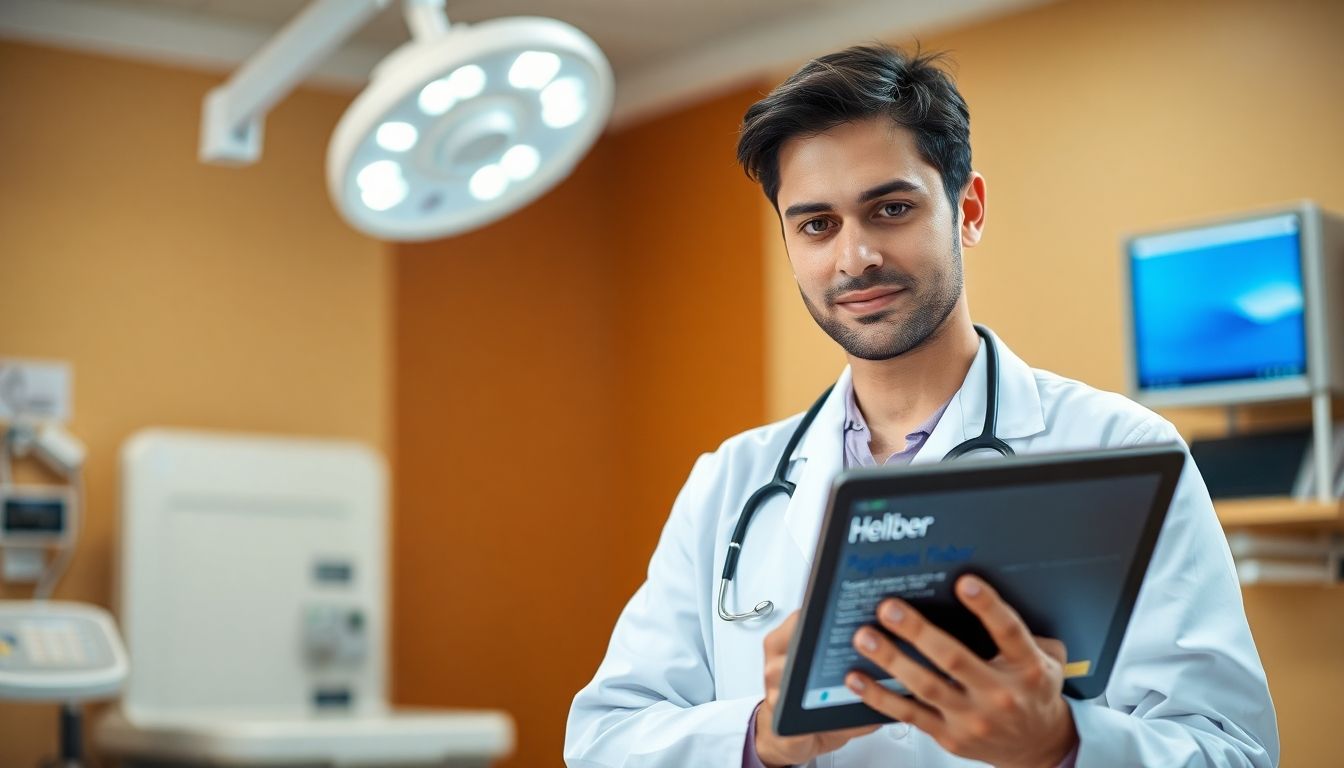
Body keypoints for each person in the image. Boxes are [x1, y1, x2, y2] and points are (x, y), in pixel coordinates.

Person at [564, 44, 1278, 768]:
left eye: (892, 208)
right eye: (817, 224)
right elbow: (602, 740)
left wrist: (1061, 744)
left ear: (967, 210)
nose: (856, 257)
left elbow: (1235, 752)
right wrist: (755, 737)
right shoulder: (728, 483)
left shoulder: (1120, 448)